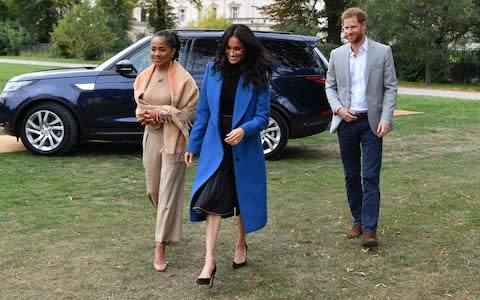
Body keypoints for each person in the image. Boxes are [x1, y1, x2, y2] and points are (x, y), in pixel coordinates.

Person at [184, 24, 272, 286]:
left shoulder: (259, 74)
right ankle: (209, 261)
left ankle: (241, 244)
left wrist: (245, 130)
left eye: (238, 49)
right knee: (212, 198)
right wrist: (193, 145)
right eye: (229, 48)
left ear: (247, 49)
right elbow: (203, 112)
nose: (233, 53)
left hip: (244, 147)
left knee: (242, 198)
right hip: (216, 146)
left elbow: (263, 117)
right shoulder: (213, 70)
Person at [325, 7, 397, 248]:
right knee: (351, 175)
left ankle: (369, 229)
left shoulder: (382, 52)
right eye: (345, 28)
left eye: (353, 27)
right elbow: (330, 87)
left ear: (363, 25)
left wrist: (386, 117)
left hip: (372, 123)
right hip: (346, 122)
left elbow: (390, 88)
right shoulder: (336, 55)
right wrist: (338, 109)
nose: (348, 32)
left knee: (371, 176)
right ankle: (357, 220)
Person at [133, 30, 199, 271]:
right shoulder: (143, 77)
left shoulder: (184, 80)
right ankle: (167, 225)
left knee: (169, 191)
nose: (156, 53)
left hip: (175, 141)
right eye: (153, 49)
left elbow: (191, 113)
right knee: (153, 190)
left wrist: (162, 112)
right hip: (151, 137)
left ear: (172, 51)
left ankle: (160, 245)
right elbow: (140, 107)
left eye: (161, 49)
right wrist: (148, 116)